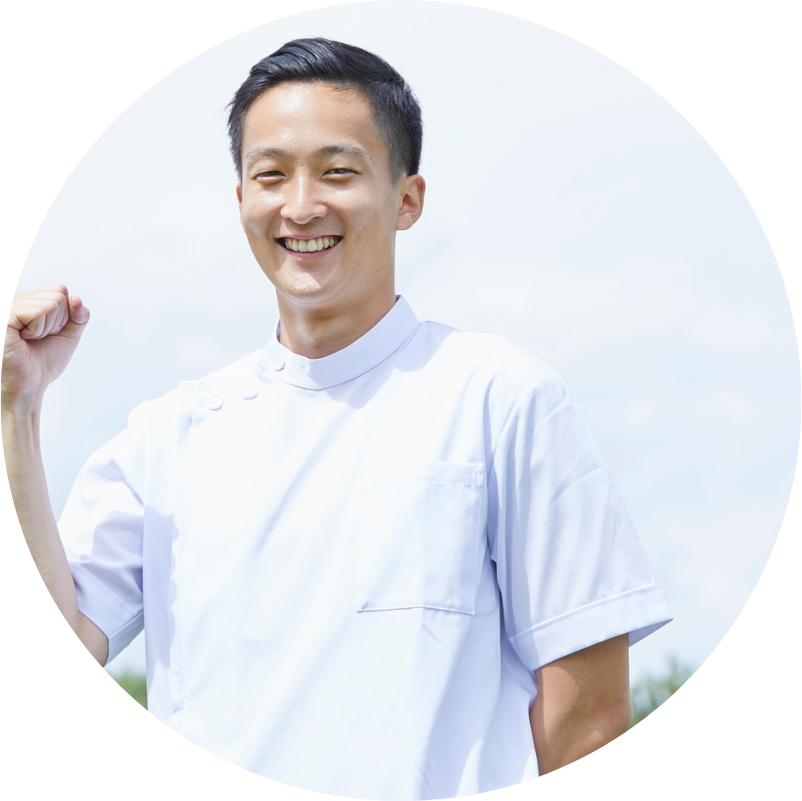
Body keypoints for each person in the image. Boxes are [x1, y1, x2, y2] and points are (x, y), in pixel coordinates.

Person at [2, 38, 672, 800]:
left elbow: (589, 722)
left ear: (408, 198)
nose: (301, 205)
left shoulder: (500, 398)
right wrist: (18, 409)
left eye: (338, 171)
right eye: (271, 175)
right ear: (241, 201)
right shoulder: (170, 435)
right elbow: (56, 651)